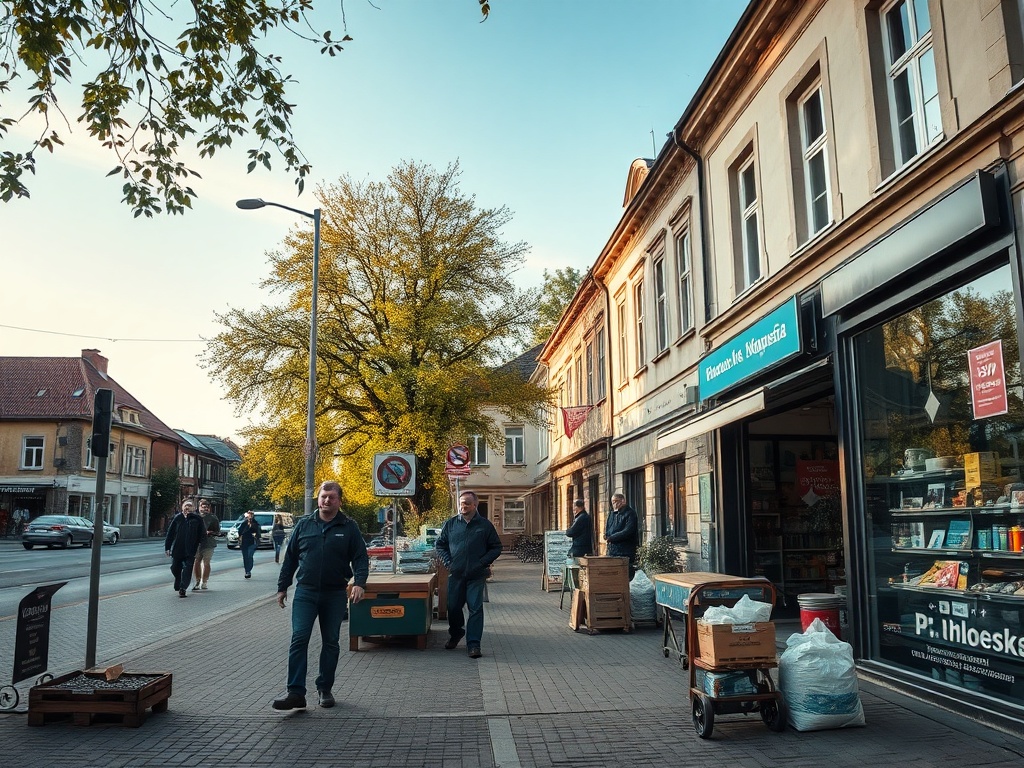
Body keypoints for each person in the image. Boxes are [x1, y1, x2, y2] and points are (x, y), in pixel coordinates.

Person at [273, 481, 368, 711]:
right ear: (318, 499)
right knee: (299, 638)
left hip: (334, 594)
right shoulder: (304, 525)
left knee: (331, 641)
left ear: (339, 501)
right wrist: (282, 587)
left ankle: (325, 688)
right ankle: (295, 692)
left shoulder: (348, 527)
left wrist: (359, 583)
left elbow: (360, 557)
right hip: (305, 592)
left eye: (331, 497)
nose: (327, 500)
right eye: (323, 496)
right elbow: (291, 558)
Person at [435, 490, 502, 659]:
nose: (462, 506)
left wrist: (482, 562)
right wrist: (448, 562)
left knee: (475, 608)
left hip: (476, 575)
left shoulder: (484, 525)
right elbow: (440, 544)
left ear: (475, 505)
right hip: (456, 574)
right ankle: (456, 633)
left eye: (466, 503)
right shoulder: (451, 524)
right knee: (453, 607)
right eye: (461, 503)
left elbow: (496, 547)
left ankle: (473, 644)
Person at [164, 500, 207, 597]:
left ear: (193, 508)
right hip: (178, 548)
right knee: (175, 568)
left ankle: (183, 588)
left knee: (187, 568)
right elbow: (170, 533)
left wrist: (200, 546)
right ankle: (178, 579)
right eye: (185, 506)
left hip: (191, 549)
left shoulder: (197, 519)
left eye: (189, 506)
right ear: (182, 507)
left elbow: (202, 534)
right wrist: (167, 547)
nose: (187, 507)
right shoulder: (178, 518)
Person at [605, 493, 640, 579]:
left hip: (625, 550)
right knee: (613, 575)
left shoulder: (630, 513)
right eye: (612, 502)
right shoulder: (612, 514)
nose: (614, 504)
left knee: (625, 575)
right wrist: (606, 535)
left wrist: (612, 537)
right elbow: (608, 527)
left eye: (616, 501)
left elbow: (628, 531)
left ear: (623, 501)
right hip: (612, 550)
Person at [192, 499, 220, 591]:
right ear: (199, 507)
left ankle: (204, 582)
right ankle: (197, 581)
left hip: (209, 543)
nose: (205, 509)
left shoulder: (213, 518)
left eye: (207, 507)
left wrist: (210, 532)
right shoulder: (194, 517)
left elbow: (217, 531)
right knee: (196, 562)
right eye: (203, 507)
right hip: (197, 543)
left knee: (206, 562)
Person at [237, 509, 262, 578]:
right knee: (245, 557)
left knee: (249, 556)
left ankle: (249, 570)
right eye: (249, 515)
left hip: (252, 542)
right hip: (244, 542)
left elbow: (258, 532)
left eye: (251, 515)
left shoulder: (255, 523)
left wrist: (251, 526)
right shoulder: (244, 523)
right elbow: (240, 532)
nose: (250, 516)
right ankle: (247, 571)